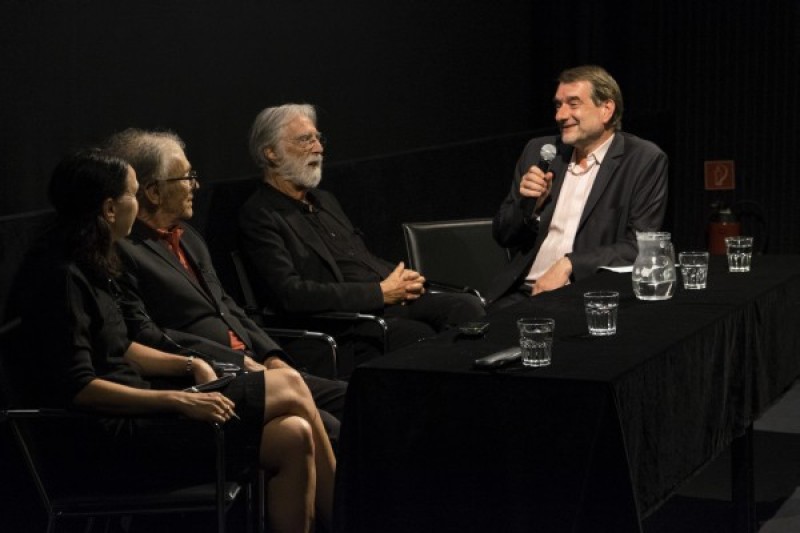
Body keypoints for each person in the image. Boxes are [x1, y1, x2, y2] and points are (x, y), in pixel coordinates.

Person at [10, 150, 335, 532]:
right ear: (110, 209)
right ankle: (349, 517)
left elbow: (120, 347)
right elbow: (80, 388)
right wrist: (178, 400)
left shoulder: (92, 261)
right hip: (112, 438)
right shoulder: (61, 276)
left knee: (294, 435)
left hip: (142, 415)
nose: (138, 204)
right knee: (292, 386)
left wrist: (185, 364)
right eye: (133, 194)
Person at [102, 128, 346, 442]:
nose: (196, 186)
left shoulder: (189, 238)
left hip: (256, 365)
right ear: (152, 191)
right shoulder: (125, 252)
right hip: (214, 378)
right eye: (187, 177)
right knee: (329, 429)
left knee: (354, 398)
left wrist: (271, 355)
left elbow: (228, 306)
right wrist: (235, 361)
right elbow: (148, 334)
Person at [239, 103, 485, 374]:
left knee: (467, 306)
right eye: (305, 140)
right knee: (416, 334)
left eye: (318, 138)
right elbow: (291, 294)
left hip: (382, 301)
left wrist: (400, 279)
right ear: (271, 153)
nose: (319, 148)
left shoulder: (324, 200)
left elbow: (358, 257)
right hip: (340, 322)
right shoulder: (261, 214)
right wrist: (378, 293)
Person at [487, 65, 669, 311]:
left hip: (587, 296)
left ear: (606, 109)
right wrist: (529, 207)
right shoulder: (540, 152)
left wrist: (569, 264)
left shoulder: (643, 160)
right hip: (521, 293)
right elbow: (503, 234)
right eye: (558, 105)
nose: (560, 116)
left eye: (573, 104)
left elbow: (639, 245)